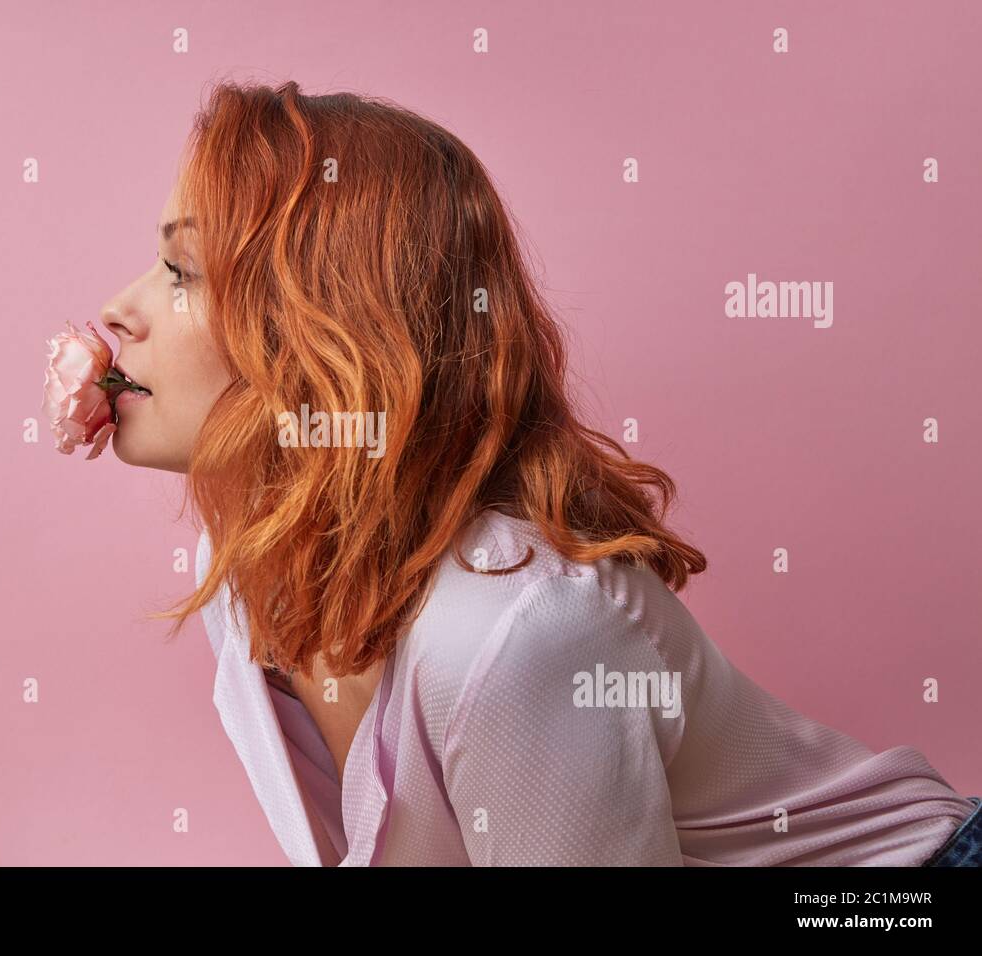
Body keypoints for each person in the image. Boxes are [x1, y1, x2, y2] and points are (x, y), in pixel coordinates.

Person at [98, 79, 979, 866]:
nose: (118, 309)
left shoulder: (508, 633)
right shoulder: (250, 587)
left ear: (324, 334)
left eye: (182, 270)